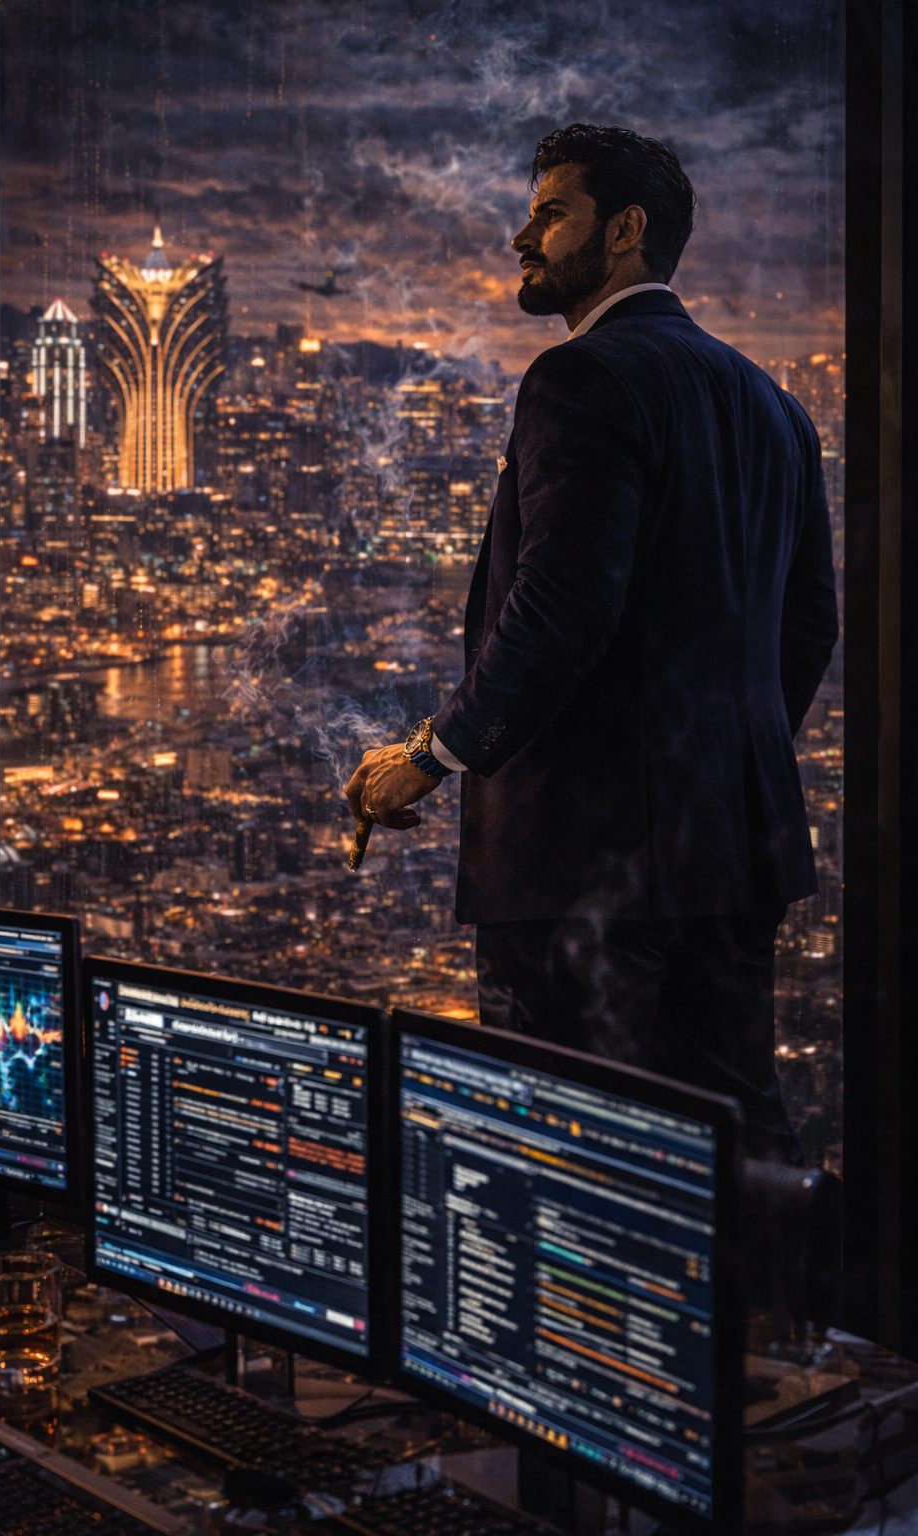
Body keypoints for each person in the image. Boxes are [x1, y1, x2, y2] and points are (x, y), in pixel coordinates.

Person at [345, 124, 839, 1162]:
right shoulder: (775, 407)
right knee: (730, 1148)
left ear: (623, 230)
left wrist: (431, 756)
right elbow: (806, 627)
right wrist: (712, 769)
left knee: (564, 1162)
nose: (522, 235)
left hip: (583, 864)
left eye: (550, 212)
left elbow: (561, 607)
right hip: (732, 850)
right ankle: (770, 1329)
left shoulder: (579, 379)